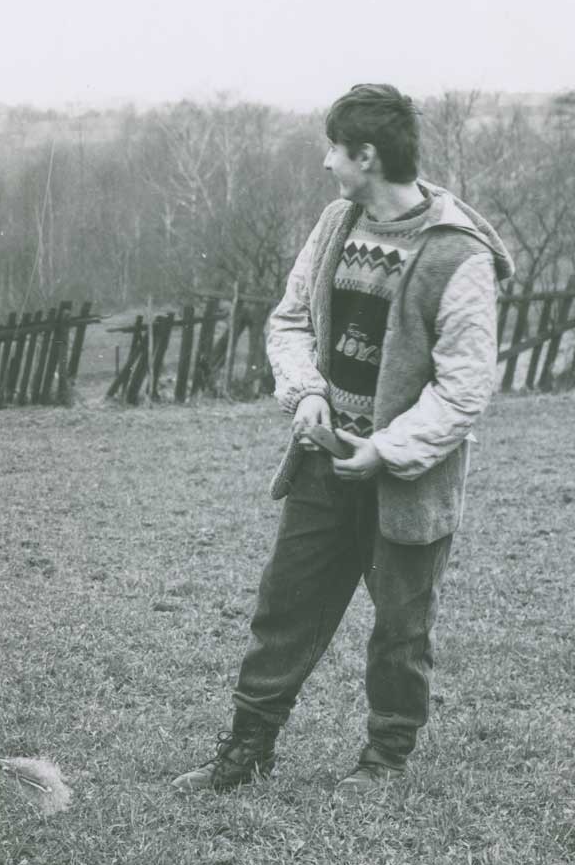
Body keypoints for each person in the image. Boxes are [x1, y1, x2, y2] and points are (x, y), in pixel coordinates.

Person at [174, 83, 514, 800]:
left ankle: (383, 761)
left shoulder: (459, 259)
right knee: (284, 608)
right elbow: (289, 320)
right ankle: (247, 749)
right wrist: (305, 394)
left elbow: (464, 388)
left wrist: (386, 450)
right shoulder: (335, 223)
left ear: (365, 155)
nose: (326, 162)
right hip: (323, 466)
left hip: (406, 477)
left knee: (400, 627)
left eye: (334, 149)